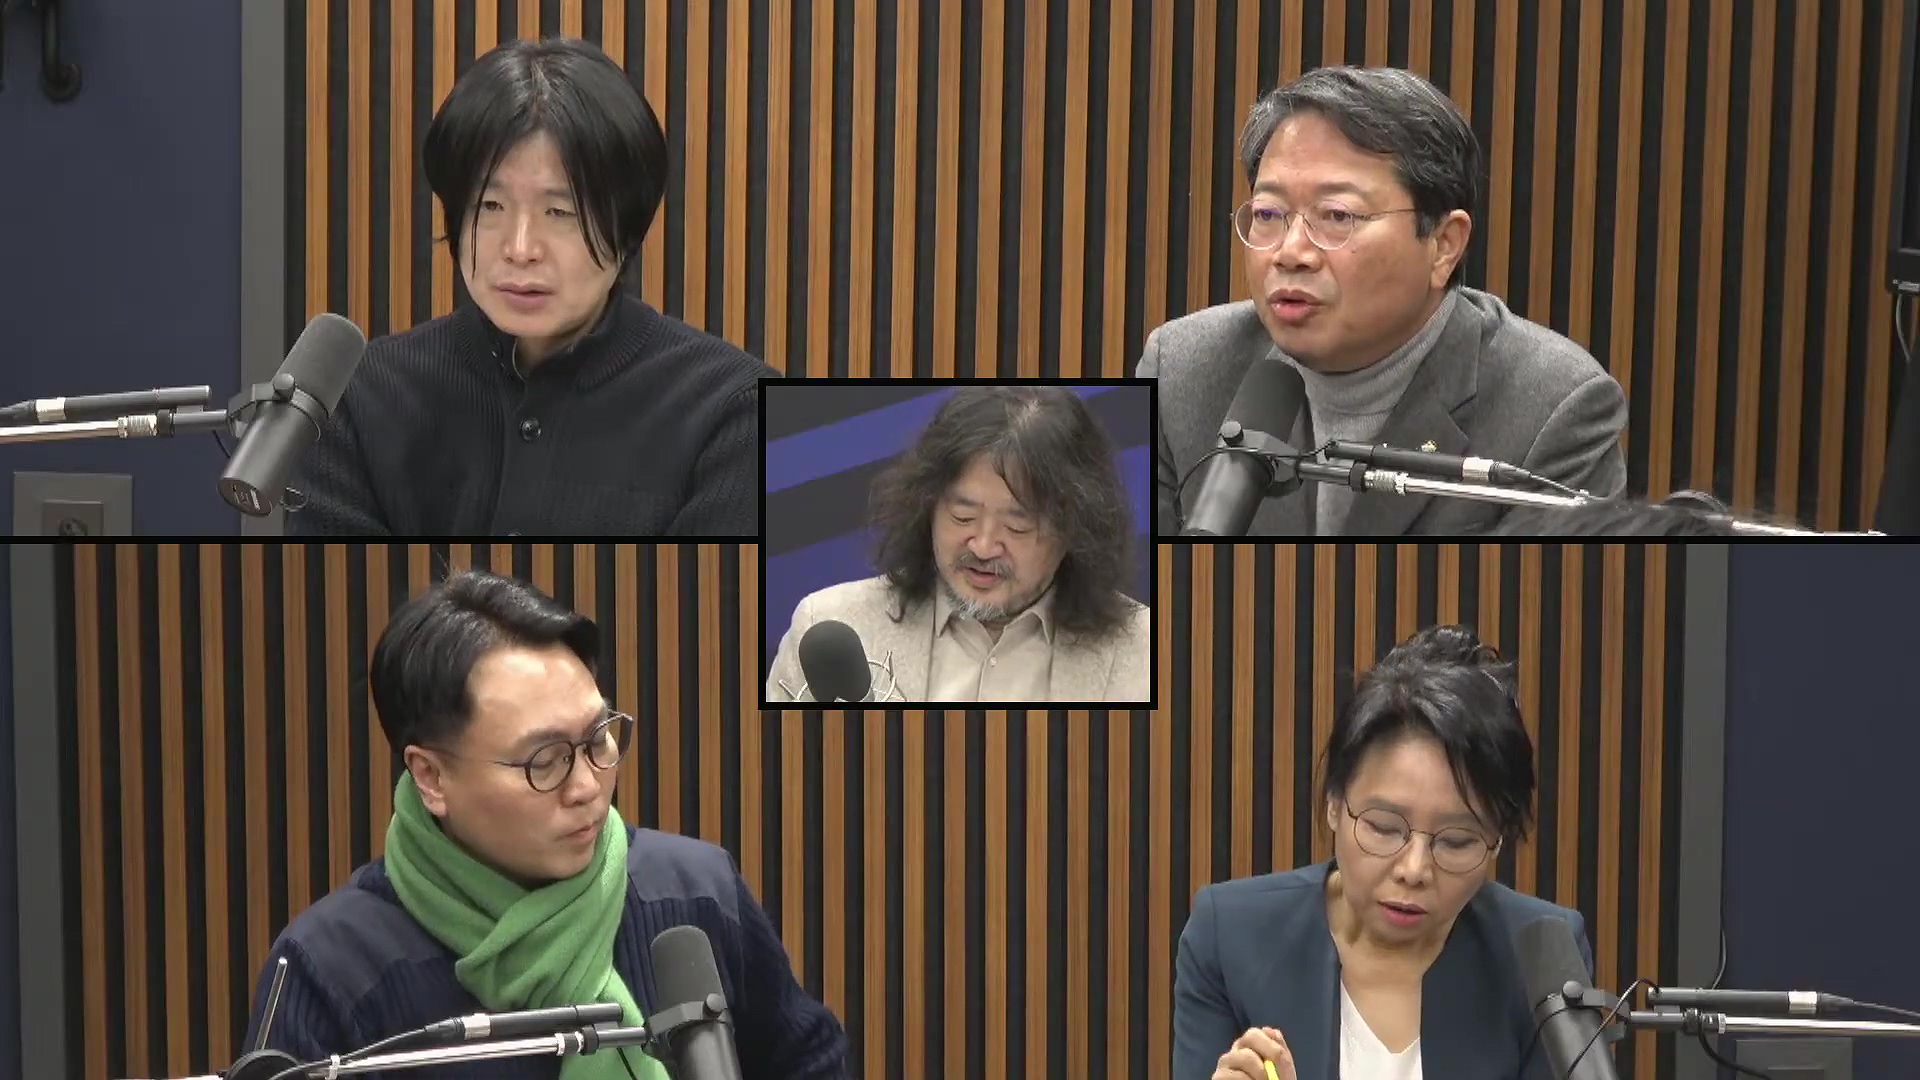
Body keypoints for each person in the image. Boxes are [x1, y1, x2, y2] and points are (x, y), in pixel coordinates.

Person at [240, 571, 847, 1079]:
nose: (587, 787)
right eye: (544, 760)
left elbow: (811, 1062)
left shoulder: (694, 890)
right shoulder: (331, 968)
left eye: (598, 737)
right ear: (431, 776)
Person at [287, 37, 772, 536]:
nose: (520, 249)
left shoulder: (741, 411)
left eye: (559, 212)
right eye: (489, 206)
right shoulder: (356, 398)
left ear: (628, 227)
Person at [1138, 66, 1628, 537]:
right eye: (1268, 213)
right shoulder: (1181, 372)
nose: (1290, 252)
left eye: (1337, 215)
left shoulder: (1554, 409)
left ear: (1443, 245)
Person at [1174, 625, 1593, 1080]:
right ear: (1335, 803)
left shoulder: (1542, 957)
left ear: (1497, 841)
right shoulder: (1231, 937)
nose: (1414, 869)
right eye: (1384, 827)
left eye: (1456, 841)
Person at [765, 386, 1151, 703]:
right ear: (927, 507)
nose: (983, 547)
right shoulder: (829, 624)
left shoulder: (1147, 653)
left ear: (1073, 530)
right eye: (962, 517)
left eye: (1016, 526)